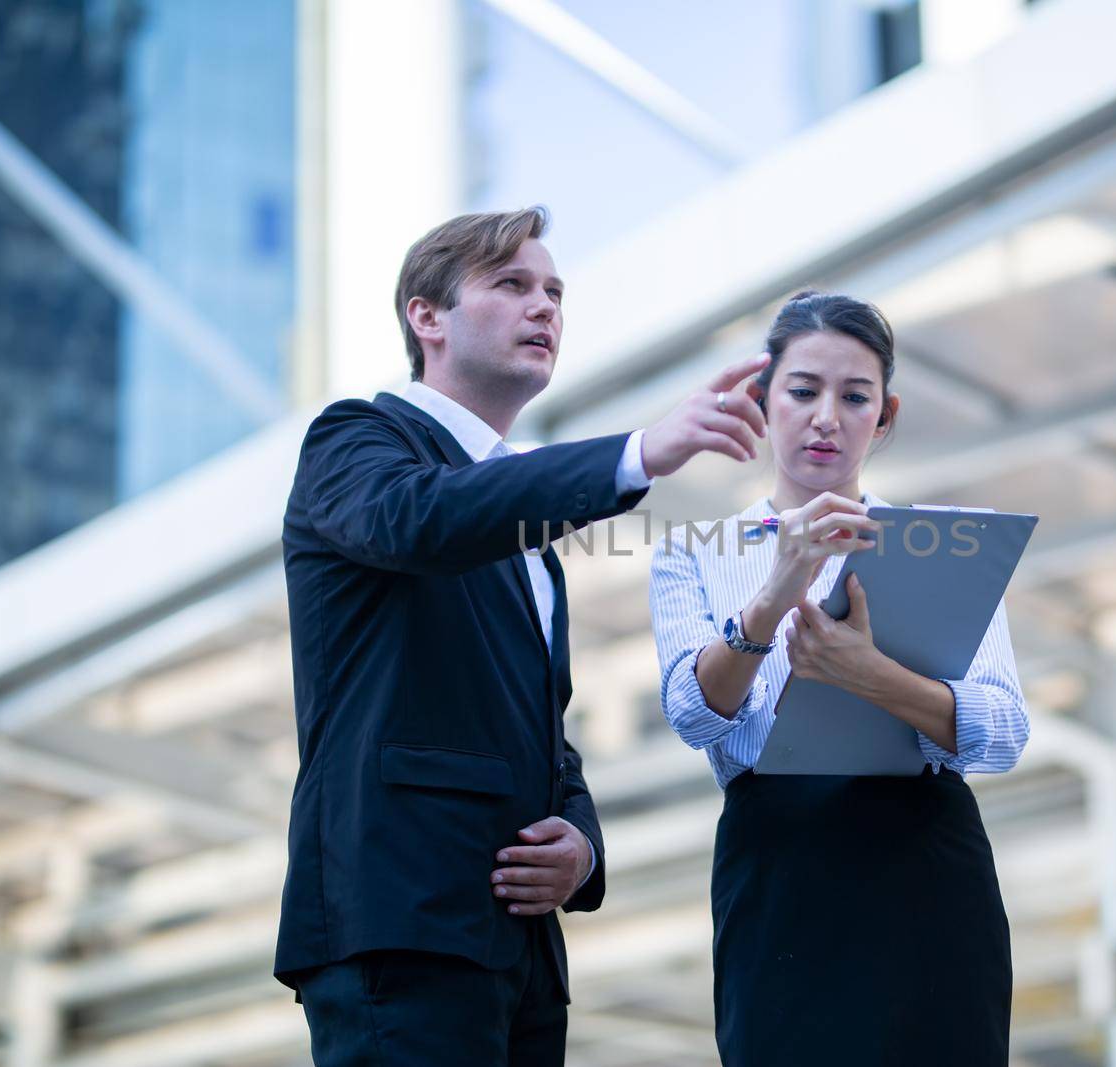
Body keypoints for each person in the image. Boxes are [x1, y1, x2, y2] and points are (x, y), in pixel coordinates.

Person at [276, 206, 772, 1066]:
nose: (545, 307)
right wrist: (637, 453)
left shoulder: (526, 525)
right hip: (404, 923)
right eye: (511, 285)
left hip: (521, 955)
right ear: (425, 316)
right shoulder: (354, 439)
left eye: (554, 291)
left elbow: (544, 733)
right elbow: (420, 520)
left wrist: (582, 844)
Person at [648, 290, 1031, 1066]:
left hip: (924, 856)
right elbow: (695, 713)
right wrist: (772, 595)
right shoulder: (697, 549)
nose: (827, 415)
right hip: (781, 861)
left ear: (884, 417)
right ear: (762, 401)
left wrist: (871, 675)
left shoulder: (941, 542)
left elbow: (1002, 730)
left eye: (855, 396)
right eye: (803, 390)